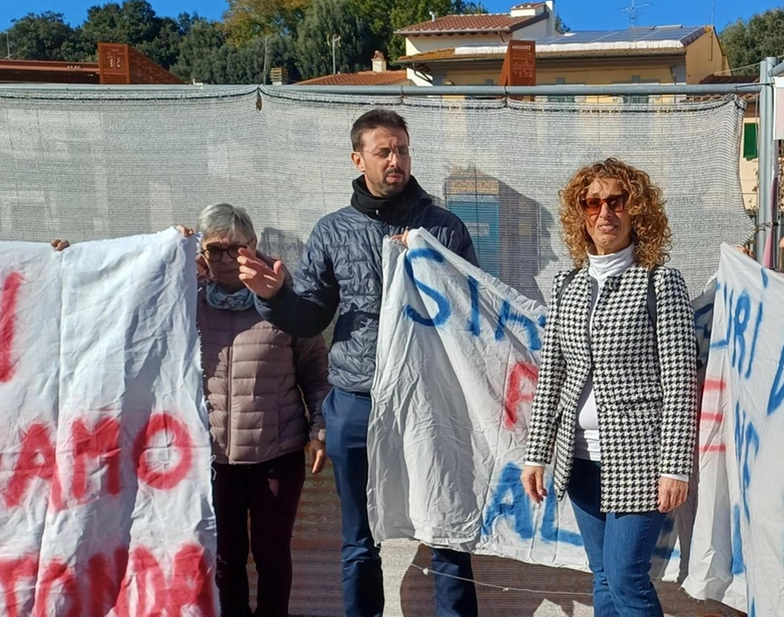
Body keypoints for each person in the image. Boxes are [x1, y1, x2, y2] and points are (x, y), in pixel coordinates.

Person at [237, 109, 480, 617]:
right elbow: (308, 317)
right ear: (358, 158)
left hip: (429, 405)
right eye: (384, 151)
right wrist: (276, 297)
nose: (397, 160)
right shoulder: (332, 231)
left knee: (447, 529)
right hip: (355, 404)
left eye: (403, 150)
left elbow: (473, 315)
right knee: (358, 539)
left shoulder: (444, 228)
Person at [520, 157, 698, 617]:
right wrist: (536, 453)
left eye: (616, 201)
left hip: (640, 458)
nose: (605, 213)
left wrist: (675, 466)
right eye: (593, 202)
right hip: (578, 459)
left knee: (626, 577)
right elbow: (553, 375)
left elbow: (681, 381)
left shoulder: (659, 282)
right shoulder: (568, 285)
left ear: (635, 210)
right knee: (602, 578)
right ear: (580, 213)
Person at [195, 204, 330, 617]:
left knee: (272, 556)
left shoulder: (286, 302)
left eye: (232, 249)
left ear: (252, 247)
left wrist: (319, 430)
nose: (223, 261)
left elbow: (316, 373)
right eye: (213, 251)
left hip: (276, 453)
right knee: (225, 558)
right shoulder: (187, 304)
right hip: (211, 458)